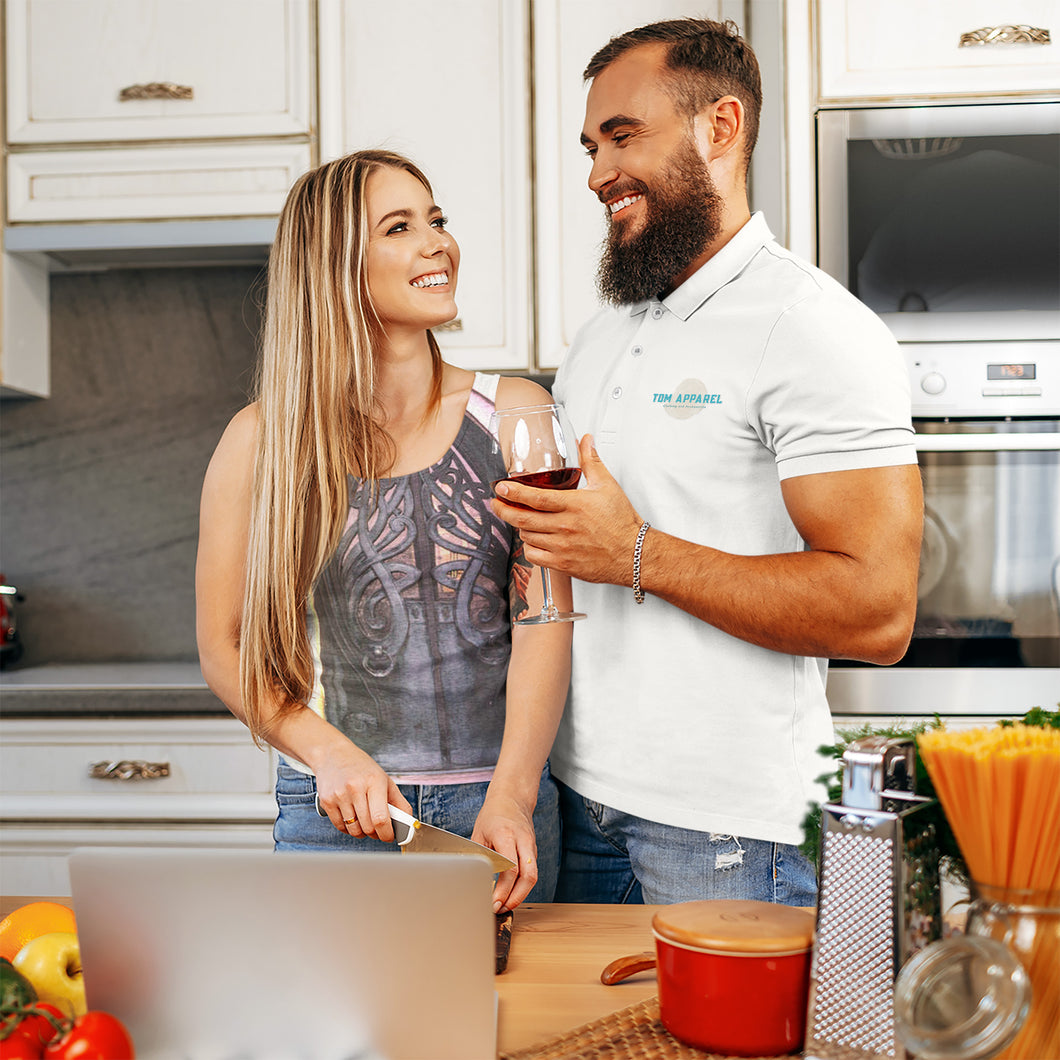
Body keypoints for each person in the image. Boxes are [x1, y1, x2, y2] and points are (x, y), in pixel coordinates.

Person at [492, 19, 924, 906]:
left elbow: (880, 613)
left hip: (728, 827)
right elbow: (580, 559)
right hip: (576, 802)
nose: (596, 172)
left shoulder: (811, 329)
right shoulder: (607, 332)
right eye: (590, 145)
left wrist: (635, 553)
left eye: (623, 136)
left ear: (720, 127)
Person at [195, 149, 571, 911]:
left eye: (436, 220)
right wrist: (327, 755)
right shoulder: (261, 442)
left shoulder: (517, 415)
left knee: (517, 1028)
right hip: (334, 808)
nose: (437, 242)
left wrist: (513, 796)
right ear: (333, 267)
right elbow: (225, 643)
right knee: (337, 1031)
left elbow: (546, 618)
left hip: (496, 812)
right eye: (399, 228)